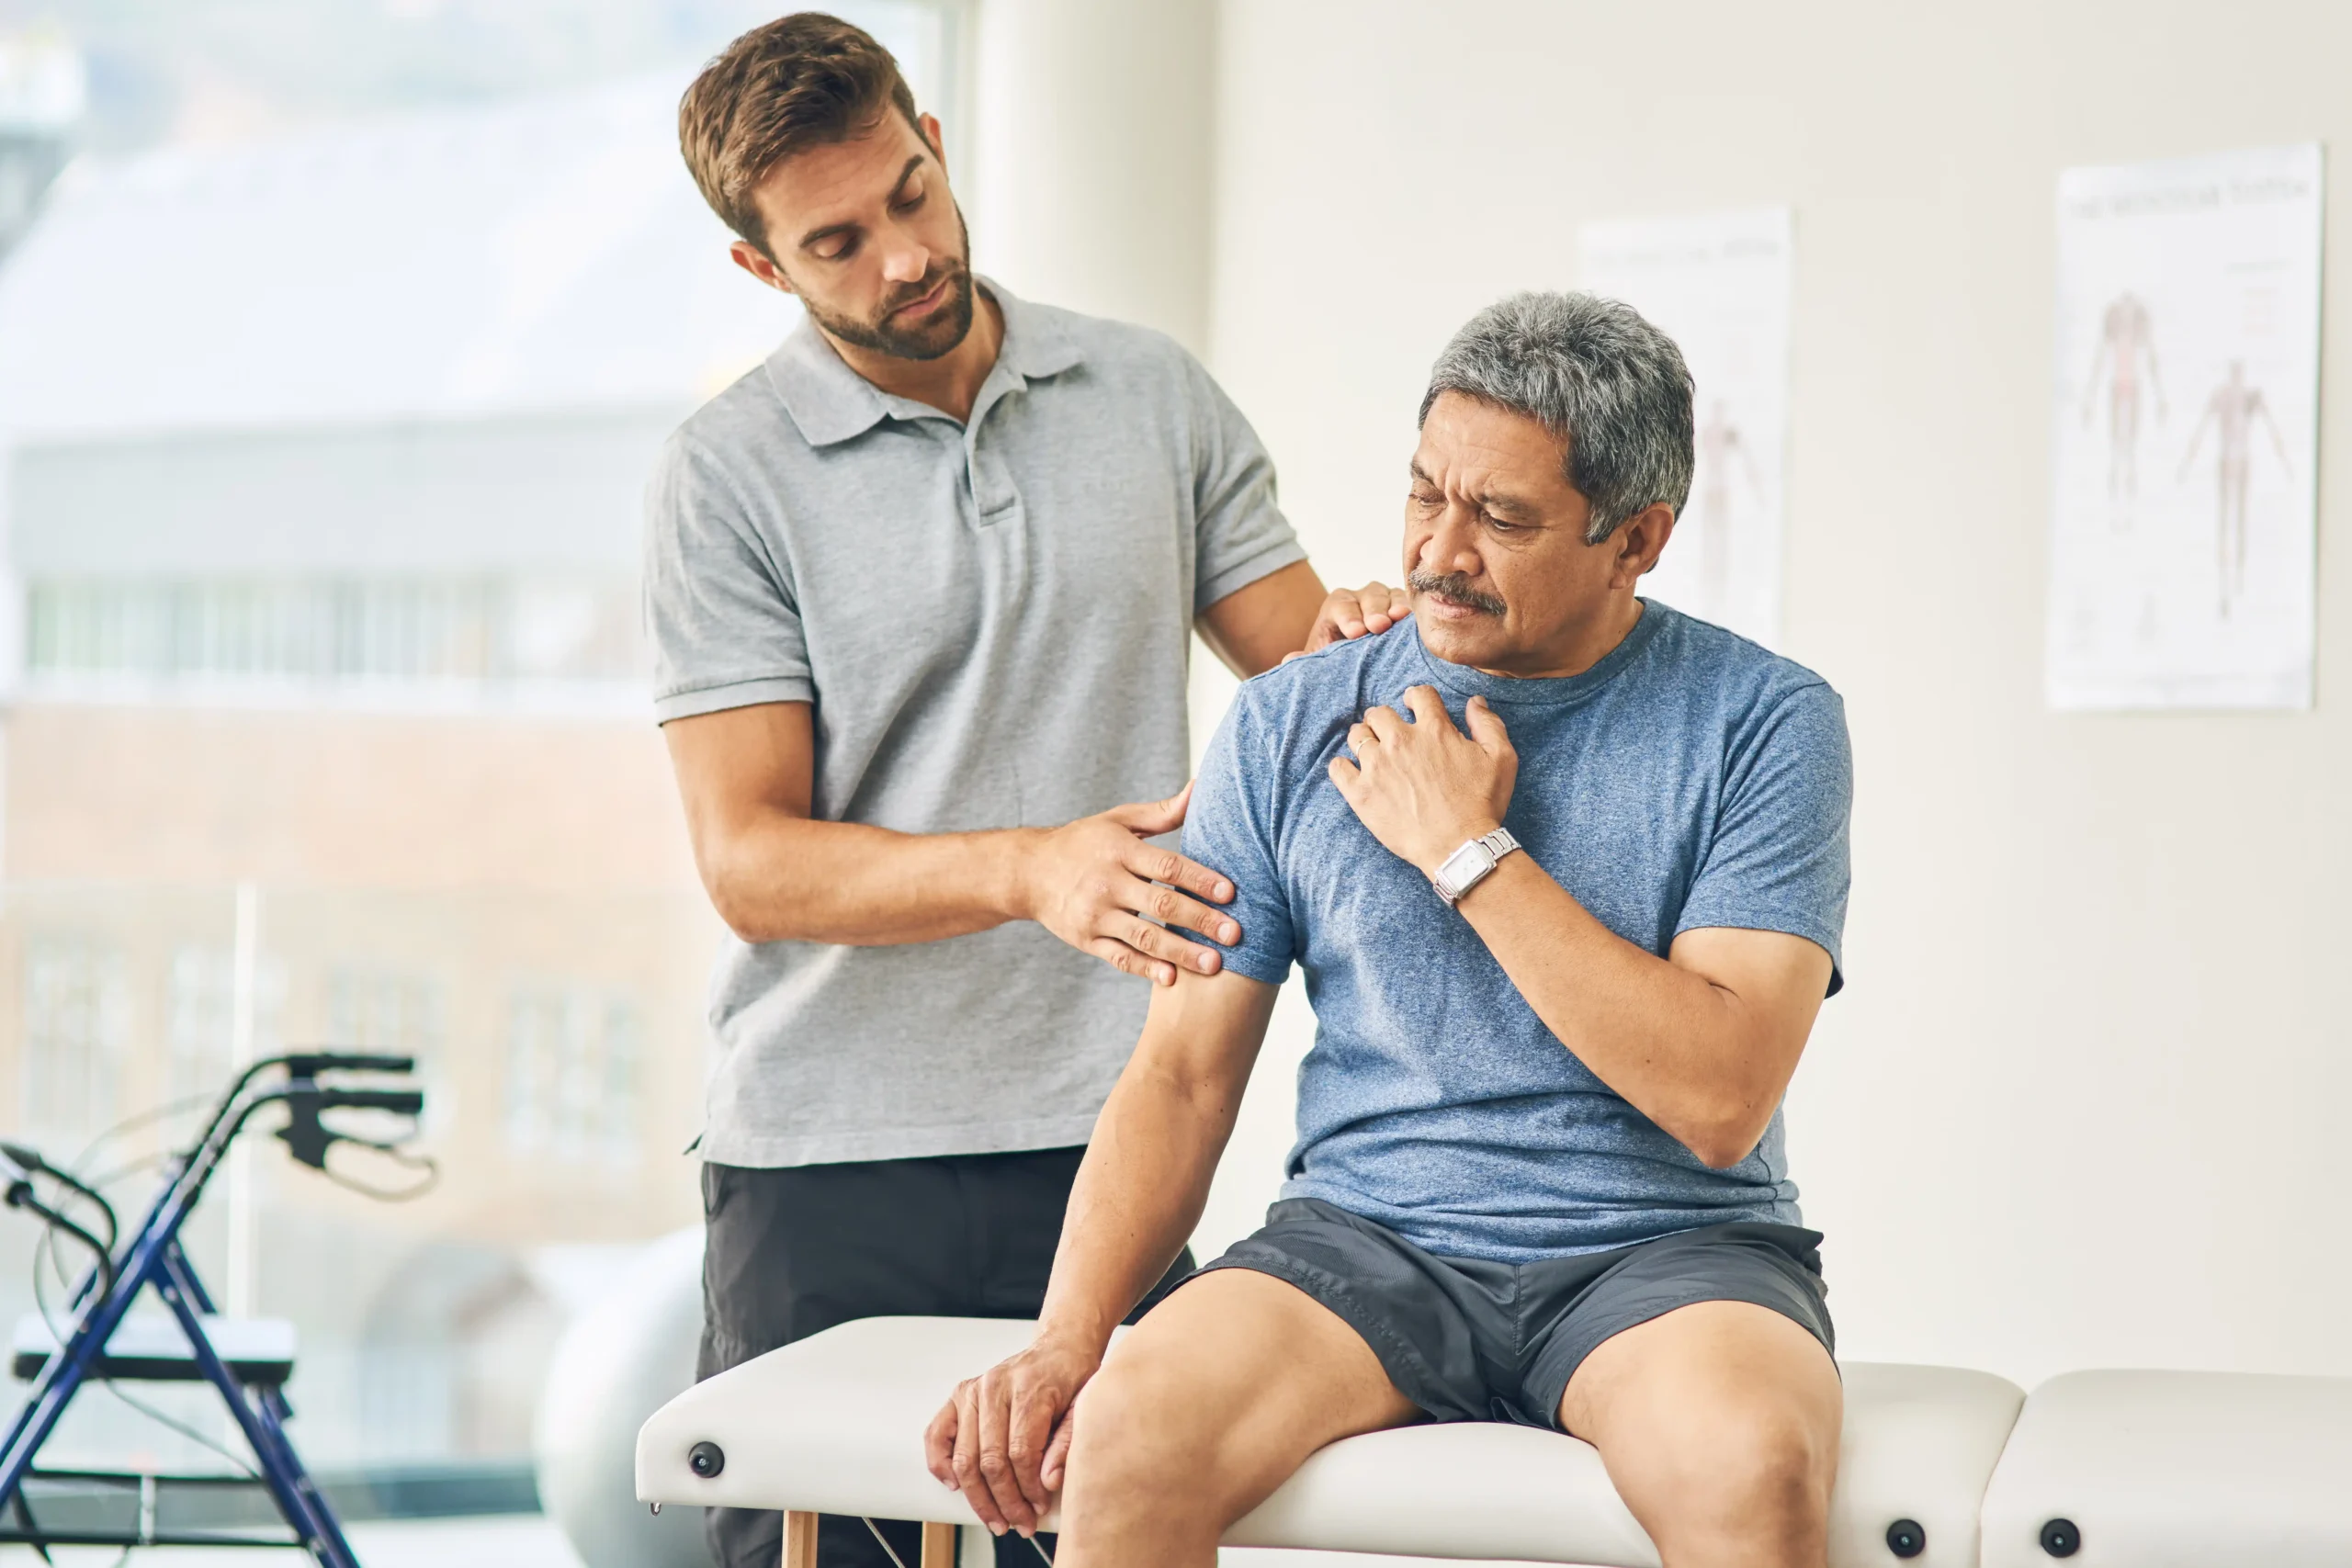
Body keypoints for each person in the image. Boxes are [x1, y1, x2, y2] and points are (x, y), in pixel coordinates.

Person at [927, 292, 1854, 1568]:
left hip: (1665, 1252)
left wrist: (1469, 852)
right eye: (1427, 495)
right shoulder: (1288, 720)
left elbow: (1719, 1094)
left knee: (1754, 1465)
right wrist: (1064, 1339)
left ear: (1636, 537)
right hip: (1363, 1244)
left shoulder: (1766, 722)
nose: (1440, 552)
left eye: (1504, 518)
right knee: (1128, 1428)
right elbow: (1184, 1075)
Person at [645, 16, 1402, 1568]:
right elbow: (751, 860)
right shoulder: (726, 478)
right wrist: (1029, 870)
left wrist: (1380, 638)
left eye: (913, 194)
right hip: (831, 1163)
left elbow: (1305, 686)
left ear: (929, 130)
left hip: (1105, 1145)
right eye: (838, 243)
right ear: (763, 269)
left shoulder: (1150, 396)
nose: (904, 258)